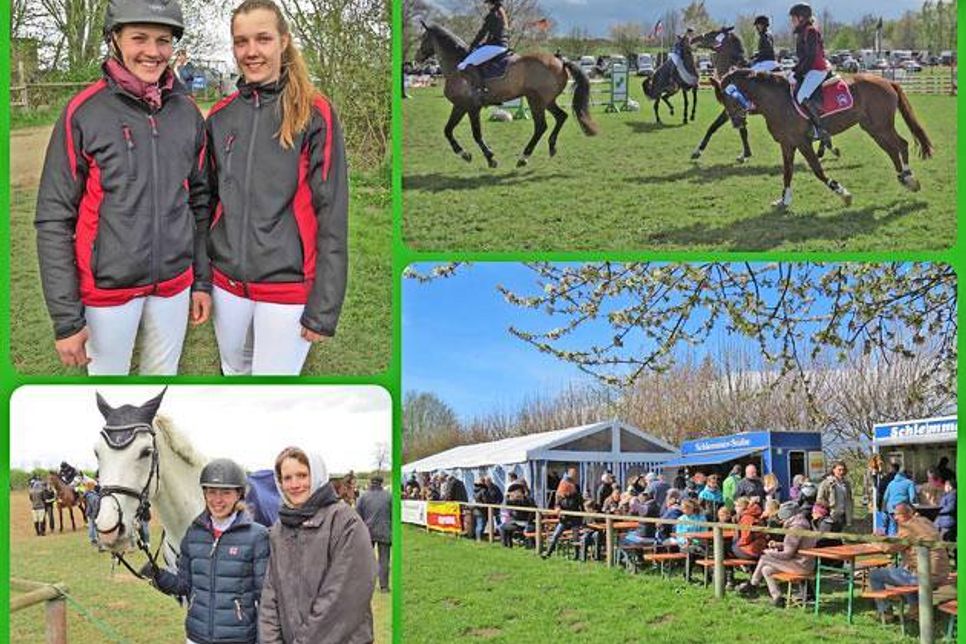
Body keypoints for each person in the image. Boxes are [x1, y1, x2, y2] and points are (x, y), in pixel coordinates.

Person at [35, 0, 210, 375]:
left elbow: (199, 201)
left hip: (174, 285)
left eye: (163, 40)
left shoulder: (188, 113)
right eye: (139, 38)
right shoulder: (83, 112)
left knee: (162, 382)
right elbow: (53, 217)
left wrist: (201, 281)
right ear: (115, 39)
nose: (153, 51)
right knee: (110, 388)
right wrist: (67, 319)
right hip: (106, 291)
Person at [207, 0, 348, 375]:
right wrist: (202, 280)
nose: (251, 51)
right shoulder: (220, 117)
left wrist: (324, 305)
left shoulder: (316, 113)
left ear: (283, 41)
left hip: (287, 288)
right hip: (226, 284)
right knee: (233, 374)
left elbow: (332, 211)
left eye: (263, 39)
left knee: (274, 383)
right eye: (241, 41)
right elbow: (205, 201)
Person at [145, 458, 269, 644]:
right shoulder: (194, 533)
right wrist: (157, 575)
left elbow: (265, 598)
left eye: (226, 492)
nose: (217, 500)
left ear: (239, 494)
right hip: (196, 637)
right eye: (211, 492)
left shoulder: (257, 536)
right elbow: (184, 586)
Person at [259, 447, 376, 643]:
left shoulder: (345, 523)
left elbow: (341, 600)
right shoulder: (279, 530)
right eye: (287, 478)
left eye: (302, 475)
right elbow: (271, 597)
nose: (295, 484)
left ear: (317, 475)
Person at [869, 503, 951, 622]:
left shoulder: (908, 528)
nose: (895, 518)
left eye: (897, 515)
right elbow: (900, 540)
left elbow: (890, 549)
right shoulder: (924, 521)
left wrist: (875, 542)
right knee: (906, 570)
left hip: (926, 575)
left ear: (905, 515)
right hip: (943, 572)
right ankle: (915, 609)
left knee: (875, 575)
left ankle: (885, 613)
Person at [737, 501, 818, 607]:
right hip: (804, 562)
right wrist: (778, 545)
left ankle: (753, 584)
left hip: (801, 565)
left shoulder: (795, 529)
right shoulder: (801, 524)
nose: (781, 520)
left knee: (764, 558)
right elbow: (793, 547)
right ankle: (777, 597)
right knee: (766, 569)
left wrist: (770, 553)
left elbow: (787, 554)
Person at [788, 2, 833, 147]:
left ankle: (819, 129)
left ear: (801, 18)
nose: (792, 22)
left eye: (793, 18)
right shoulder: (803, 32)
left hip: (817, 69)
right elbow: (803, 58)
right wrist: (795, 70)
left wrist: (799, 72)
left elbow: (811, 56)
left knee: (801, 96)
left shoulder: (810, 31)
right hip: (810, 68)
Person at [456, 0, 509, 104]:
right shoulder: (502, 13)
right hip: (502, 46)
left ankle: (482, 90)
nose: (487, 6)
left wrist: (472, 46)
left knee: (464, 64)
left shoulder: (492, 15)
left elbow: (482, 32)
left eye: (488, 3)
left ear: (492, 4)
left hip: (494, 46)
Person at [356, 475, 391, 593]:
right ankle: (384, 586)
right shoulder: (389, 496)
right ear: (381, 483)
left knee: (366, 560)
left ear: (371, 482)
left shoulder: (363, 496)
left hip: (367, 532)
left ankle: (366, 585)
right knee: (384, 560)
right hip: (385, 531)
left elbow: (358, 516)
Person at [542, 467, 582, 559]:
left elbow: (580, 504)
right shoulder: (560, 495)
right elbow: (557, 503)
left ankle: (576, 555)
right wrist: (557, 508)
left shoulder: (576, 495)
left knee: (575, 537)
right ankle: (548, 553)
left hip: (575, 518)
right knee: (556, 535)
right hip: (564, 519)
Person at [816, 461, 853, 532]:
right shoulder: (826, 483)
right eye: (839, 470)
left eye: (843, 470)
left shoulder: (847, 484)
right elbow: (819, 499)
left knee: (837, 539)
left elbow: (849, 499)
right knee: (826, 540)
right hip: (829, 517)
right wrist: (830, 505)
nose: (842, 472)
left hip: (842, 517)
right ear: (833, 470)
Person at [882, 467, 916, 536]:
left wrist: (884, 508)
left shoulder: (891, 483)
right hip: (903, 509)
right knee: (905, 527)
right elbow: (913, 497)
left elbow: (885, 497)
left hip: (891, 508)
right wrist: (913, 506)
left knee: (894, 526)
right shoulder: (909, 483)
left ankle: (893, 542)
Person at [83, 480, 100, 545]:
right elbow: (94, 505)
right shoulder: (92, 495)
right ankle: (94, 540)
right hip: (93, 513)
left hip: (90, 513)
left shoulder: (89, 494)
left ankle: (94, 539)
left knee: (92, 526)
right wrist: (95, 514)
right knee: (92, 526)